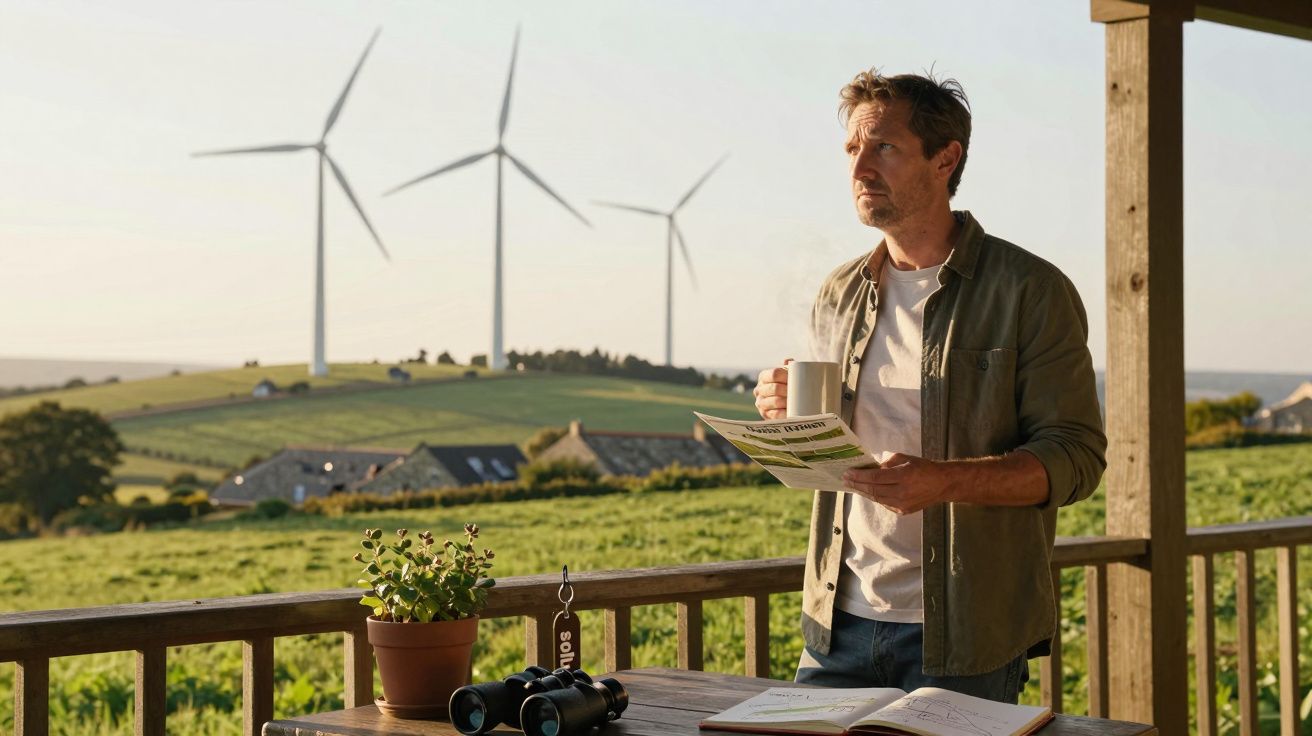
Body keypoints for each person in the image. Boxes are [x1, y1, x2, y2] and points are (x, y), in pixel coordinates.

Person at [752, 70, 1106, 704]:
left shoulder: (1029, 291)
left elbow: (1076, 459)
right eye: (852, 149)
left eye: (883, 147)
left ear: (946, 159)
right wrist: (786, 417)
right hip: (838, 626)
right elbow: (825, 452)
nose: (860, 167)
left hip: (965, 636)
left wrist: (941, 480)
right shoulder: (840, 291)